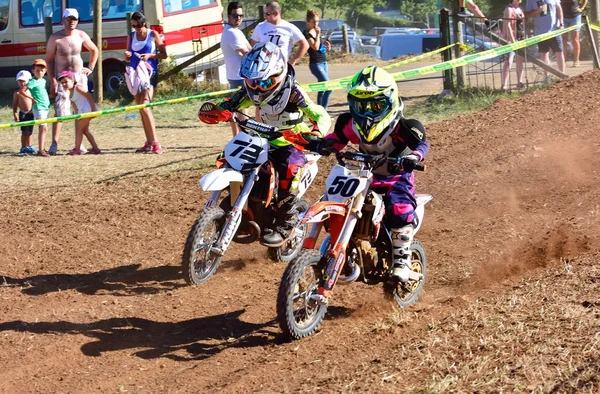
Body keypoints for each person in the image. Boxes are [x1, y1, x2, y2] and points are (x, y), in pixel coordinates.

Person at [308, 66, 429, 282]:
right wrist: (320, 144)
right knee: (335, 197)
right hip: (364, 176)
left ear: (389, 102)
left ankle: (402, 260)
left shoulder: (404, 127)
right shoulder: (350, 124)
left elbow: (421, 145)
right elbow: (336, 138)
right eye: (360, 105)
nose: (367, 112)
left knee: (399, 207)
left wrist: (414, 158)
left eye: (375, 105)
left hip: (395, 177)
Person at [217, 42, 331, 246]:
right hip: (262, 139)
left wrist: (316, 133)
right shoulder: (250, 91)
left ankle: (285, 223)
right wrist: (217, 110)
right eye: (253, 82)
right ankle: (238, 206)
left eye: (265, 82)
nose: (258, 88)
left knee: (290, 168)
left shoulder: (293, 93)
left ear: (278, 74)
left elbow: (320, 114)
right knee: (229, 157)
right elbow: (229, 103)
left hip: (292, 141)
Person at [45, 8, 99, 155]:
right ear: (63, 20)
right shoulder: (55, 38)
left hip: (79, 76)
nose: (72, 21)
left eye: (74, 19)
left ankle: (79, 145)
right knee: (60, 110)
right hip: (62, 77)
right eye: (69, 19)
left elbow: (94, 50)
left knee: (79, 111)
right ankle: (54, 144)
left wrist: (90, 67)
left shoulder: (81, 35)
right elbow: (49, 60)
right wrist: (52, 80)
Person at [124, 11, 167, 154]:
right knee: (140, 109)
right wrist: (127, 56)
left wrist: (151, 55)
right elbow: (128, 58)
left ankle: (156, 142)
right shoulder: (131, 37)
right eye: (133, 26)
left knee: (145, 106)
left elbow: (164, 54)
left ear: (144, 23)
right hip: (135, 74)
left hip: (149, 74)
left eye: (138, 26)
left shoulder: (152, 34)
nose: (136, 28)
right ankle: (148, 143)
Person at [221, 2, 251, 136]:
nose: (238, 18)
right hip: (237, 77)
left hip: (241, 76)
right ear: (228, 16)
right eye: (235, 15)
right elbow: (246, 52)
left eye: (240, 15)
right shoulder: (231, 33)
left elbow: (250, 49)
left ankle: (239, 138)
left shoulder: (236, 31)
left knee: (240, 110)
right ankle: (241, 139)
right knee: (241, 112)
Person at [57, 71, 101, 156]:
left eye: (66, 82)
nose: (64, 84)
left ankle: (77, 149)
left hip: (87, 110)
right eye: (62, 83)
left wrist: (93, 110)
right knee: (85, 131)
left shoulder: (77, 88)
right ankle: (96, 149)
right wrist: (77, 116)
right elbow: (74, 105)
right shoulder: (70, 93)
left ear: (73, 80)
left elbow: (89, 97)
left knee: (79, 129)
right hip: (82, 112)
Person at [250, 2, 308, 66]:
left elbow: (304, 45)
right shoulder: (260, 27)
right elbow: (253, 46)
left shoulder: (289, 27)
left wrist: (293, 61)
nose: (265, 16)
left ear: (276, 13)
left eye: (267, 14)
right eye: (264, 13)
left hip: (281, 67)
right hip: (263, 67)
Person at [525, 0, 565, 76]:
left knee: (559, 52)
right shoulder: (530, 1)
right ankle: (547, 77)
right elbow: (527, 14)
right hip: (541, 32)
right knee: (544, 54)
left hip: (554, 30)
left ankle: (562, 76)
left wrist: (561, 23)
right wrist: (538, 11)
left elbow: (559, 8)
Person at [304, 9, 332, 109]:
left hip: (324, 61)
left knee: (323, 87)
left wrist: (327, 47)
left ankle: (320, 110)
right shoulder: (307, 33)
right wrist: (318, 34)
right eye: (314, 21)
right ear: (308, 21)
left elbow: (320, 46)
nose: (316, 24)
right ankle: (323, 110)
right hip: (315, 64)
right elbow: (315, 47)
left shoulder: (317, 31)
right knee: (329, 87)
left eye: (317, 21)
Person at [25, 59, 51, 157]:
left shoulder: (43, 81)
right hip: (39, 107)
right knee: (43, 128)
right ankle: (41, 149)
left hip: (45, 107)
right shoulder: (32, 81)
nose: (39, 72)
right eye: (37, 70)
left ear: (45, 71)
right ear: (33, 71)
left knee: (44, 128)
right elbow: (22, 91)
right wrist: (31, 98)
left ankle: (42, 148)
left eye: (42, 70)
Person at [501, 0, 525, 90]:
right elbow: (507, 25)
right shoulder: (509, 9)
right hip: (511, 39)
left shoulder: (520, 9)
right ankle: (504, 85)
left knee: (520, 61)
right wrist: (512, 40)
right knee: (508, 61)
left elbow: (522, 24)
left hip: (520, 37)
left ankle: (520, 82)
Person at [13, 70, 36, 155]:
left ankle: (29, 146)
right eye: (20, 81)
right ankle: (23, 147)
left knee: (30, 132)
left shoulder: (31, 91)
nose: (22, 83)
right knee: (24, 132)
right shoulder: (17, 93)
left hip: (31, 113)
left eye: (24, 81)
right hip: (23, 114)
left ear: (29, 81)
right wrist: (15, 113)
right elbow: (14, 104)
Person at [561, 0, 587, 67]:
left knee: (575, 39)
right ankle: (563, 60)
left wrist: (582, 8)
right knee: (564, 39)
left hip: (575, 16)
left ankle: (576, 59)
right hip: (563, 17)